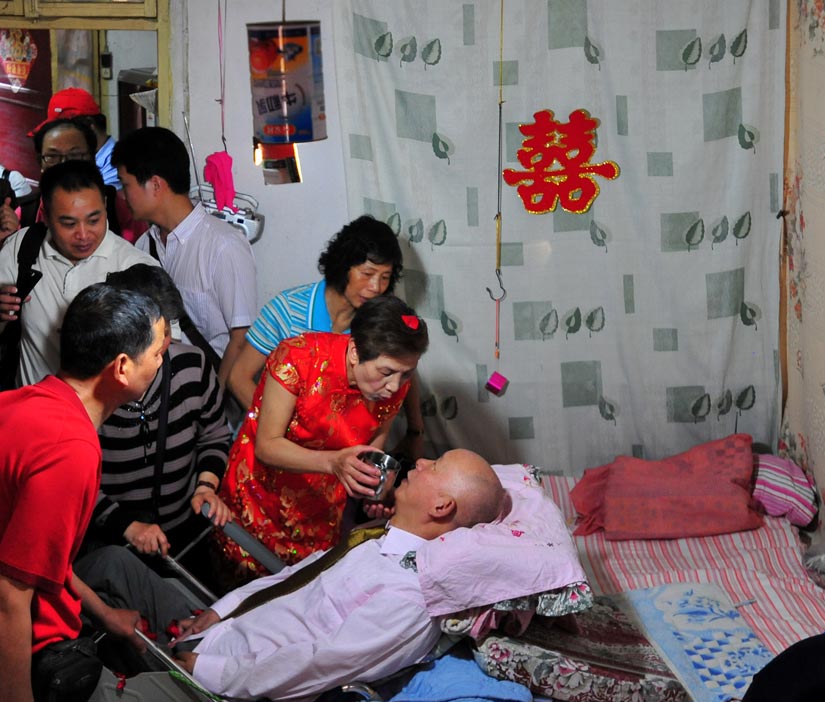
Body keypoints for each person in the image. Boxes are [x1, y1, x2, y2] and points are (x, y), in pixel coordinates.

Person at [80, 448, 506, 702]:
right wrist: (220, 611)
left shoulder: (409, 597)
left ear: (442, 508)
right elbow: (291, 579)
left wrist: (205, 668)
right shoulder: (378, 538)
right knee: (113, 562)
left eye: (436, 466)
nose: (423, 460)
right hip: (225, 627)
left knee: (85, 691)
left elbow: (314, 664)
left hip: (228, 684)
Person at [0, 283, 167, 702]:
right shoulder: (70, 450)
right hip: (36, 650)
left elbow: (35, 552)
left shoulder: (27, 399)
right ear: (123, 367)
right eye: (159, 353)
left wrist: (105, 613)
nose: (163, 362)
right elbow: (9, 595)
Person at [215, 295, 429, 580]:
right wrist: (333, 463)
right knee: (239, 592)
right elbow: (267, 445)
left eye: (406, 374)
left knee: (299, 593)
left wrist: (374, 493)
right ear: (355, 351)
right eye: (387, 372)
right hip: (261, 497)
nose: (394, 386)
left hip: (321, 511)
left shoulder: (396, 385)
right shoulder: (299, 358)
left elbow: (370, 451)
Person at [228, 214, 427, 462]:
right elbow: (238, 378)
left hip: (337, 459)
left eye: (385, 277)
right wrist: (286, 432)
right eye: (367, 273)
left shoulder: (376, 325)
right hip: (274, 452)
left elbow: (401, 372)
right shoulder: (289, 310)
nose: (376, 287)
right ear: (343, 266)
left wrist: (415, 431)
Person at [87, 264, 233, 567]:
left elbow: (215, 435)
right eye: (155, 333)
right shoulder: (88, 385)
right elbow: (76, 481)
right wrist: (126, 525)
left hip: (184, 532)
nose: (165, 342)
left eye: (168, 328)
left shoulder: (193, 364)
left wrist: (206, 486)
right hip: (115, 544)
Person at [113, 126, 258, 395]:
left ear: (155, 184)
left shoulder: (223, 246)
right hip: (163, 395)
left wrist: (213, 403)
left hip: (210, 397)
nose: (122, 195)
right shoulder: (143, 246)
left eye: (126, 184)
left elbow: (241, 339)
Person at [0, 159, 158, 388]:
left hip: (104, 421)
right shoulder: (22, 247)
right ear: (45, 215)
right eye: (69, 223)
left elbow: (163, 352)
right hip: (36, 415)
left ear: (105, 204)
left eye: (94, 220)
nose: (83, 235)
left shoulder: (135, 268)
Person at [29, 86, 120, 187]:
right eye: (52, 156)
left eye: (74, 155)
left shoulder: (116, 169)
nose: (62, 163)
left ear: (90, 126)